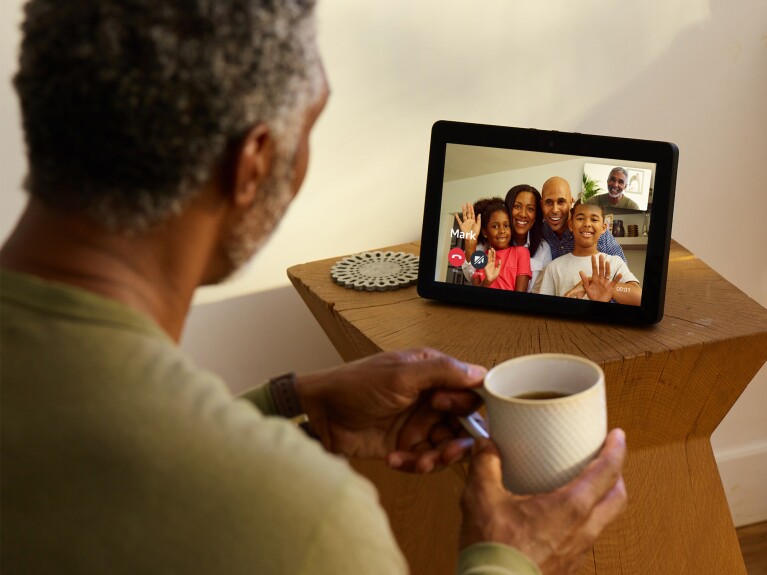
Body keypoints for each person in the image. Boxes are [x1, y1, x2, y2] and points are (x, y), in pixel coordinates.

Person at [0, 1, 628, 574]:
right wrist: (510, 562)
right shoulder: (310, 527)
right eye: (311, 123)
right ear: (252, 164)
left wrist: (290, 407)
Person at [534, 201, 642, 305]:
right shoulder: (554, 267)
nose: (587, 224)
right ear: (571, 224)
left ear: (604, 227)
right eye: (580, 218)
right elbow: (544, 307)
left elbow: (638, 297)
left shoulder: (614, 262)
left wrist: (609, 287)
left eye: (594, 219)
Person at [459, 185, 552, 290]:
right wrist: (470, 242)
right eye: (517, 206)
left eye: (530, 209)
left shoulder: (543, 249)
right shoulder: (486, 245)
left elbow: (541, 290)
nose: (523, 214)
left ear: (536, 216)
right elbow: (471, 276)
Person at [540, 176, 627, 261]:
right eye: (549, 202)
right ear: (541, 204)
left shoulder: (598, 235)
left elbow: (622, 269)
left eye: (561, 202)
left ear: (571, 202)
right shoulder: (540, 230)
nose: (555, 210)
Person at [456, 197, 531, 291]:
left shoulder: (522, 252)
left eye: (506, 225)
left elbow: (520, 297)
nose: (502, 231)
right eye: (495, 226)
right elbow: (474, 295)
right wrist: (487, 282)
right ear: (485, 232)